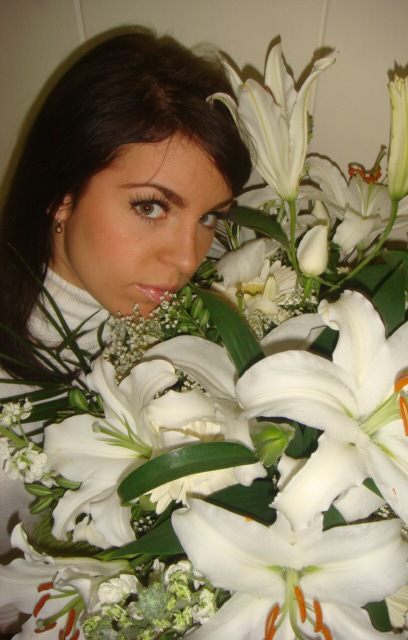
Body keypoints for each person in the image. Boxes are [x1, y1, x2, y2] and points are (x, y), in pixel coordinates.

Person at [0, 27, 251, 634]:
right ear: (63, 194)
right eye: (150, 206)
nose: (187, 258)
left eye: (209, 217)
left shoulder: (214, 300)